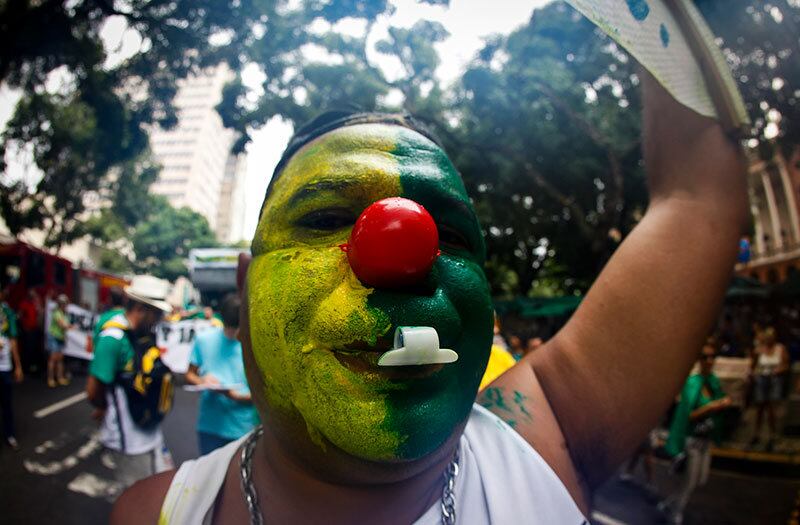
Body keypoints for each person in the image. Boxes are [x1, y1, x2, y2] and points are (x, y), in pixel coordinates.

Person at [113, 73, 747, 524]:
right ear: (246, 286)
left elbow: (697, 199)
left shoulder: (547, 438)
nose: (402, 252)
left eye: (449, 234)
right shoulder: (156, 514)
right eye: (326, 217)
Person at [86, 275, 174, 489]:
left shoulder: (143, 334)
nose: (159, 319)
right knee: (140, 496)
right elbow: (93, 390)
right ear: (141, 309)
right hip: (129, 441)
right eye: (156, 313)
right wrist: (102, 407)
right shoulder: (113, 339)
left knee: (162, 491)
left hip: (151, 431)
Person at [659, 343, 732, 524]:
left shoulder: (713, 382)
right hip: (692, 439)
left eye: (712, 356)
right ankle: (675, 512)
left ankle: (669, 503)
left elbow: (719, 403)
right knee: (690, 482)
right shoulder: (692, 382)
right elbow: (688, 415)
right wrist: (711, 407)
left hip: (706, 439)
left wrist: (723, 403)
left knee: (700, 479)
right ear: (699, 360)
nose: (709, 360)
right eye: (705, 357)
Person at [185, 294, 258, 455]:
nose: (233, 333)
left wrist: (238, 397)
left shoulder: (253, 345)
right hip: (210, 426)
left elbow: (263, 393)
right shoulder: (203, 339)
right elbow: (189, 374)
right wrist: (202, 381)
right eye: (229, 327)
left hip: (242, 428)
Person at [750, 326, 789, 449]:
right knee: (760, 407)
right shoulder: (761, 348)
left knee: (772, 408)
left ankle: (772, 435)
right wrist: (754, 374)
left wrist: (778, 370)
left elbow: (786, 364)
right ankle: (756, 434)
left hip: (774, 379)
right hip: (762, 378)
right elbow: (753, 364)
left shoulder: (780, 348)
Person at [1, 288, 24, 449]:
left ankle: (9, 434)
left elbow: (13, 339)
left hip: (4, 366)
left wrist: (18, 366)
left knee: (6, 404)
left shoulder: (7, 312)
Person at [46, 294, 72, 387]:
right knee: (53, 358)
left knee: (60, 359)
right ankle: (50, 379)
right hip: (54, 337)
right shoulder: (57, 313)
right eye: (63, 303)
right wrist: (71, 327)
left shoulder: (65, 314)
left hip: (60, 338)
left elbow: (67, 325)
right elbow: (62, 325)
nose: (64, 305)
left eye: (65, 303)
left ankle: (60, 378)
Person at [16, 289, 42, 374]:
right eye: (31, 294)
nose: (33, 296)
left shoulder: (35, 303)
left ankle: (33, 367)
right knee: (27, 349)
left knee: (34, 349)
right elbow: (19, 315)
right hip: (27, 330)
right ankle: (25, 367)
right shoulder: (24, 303)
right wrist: (22, 326)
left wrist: (38, 305)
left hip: (35, 329)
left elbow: (40, 314)